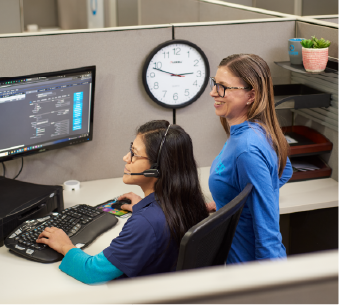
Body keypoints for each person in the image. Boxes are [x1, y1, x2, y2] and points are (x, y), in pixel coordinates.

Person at [36, 120, 208, 284]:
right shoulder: (188, 198)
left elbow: (92, 272)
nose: (126, 157)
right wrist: (146, 206)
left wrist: (65, 245)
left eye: (134, 154)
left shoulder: (146, 223)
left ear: (157, 168)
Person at [207, 53, 293, 263]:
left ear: (251, 95)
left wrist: (267, 288)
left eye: (223, 87)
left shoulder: (247, 149)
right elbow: (286, 169)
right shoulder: (255, 131)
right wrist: (230, 201)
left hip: (249, 271)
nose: (212, 93)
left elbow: (267, 231)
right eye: (215, 84)